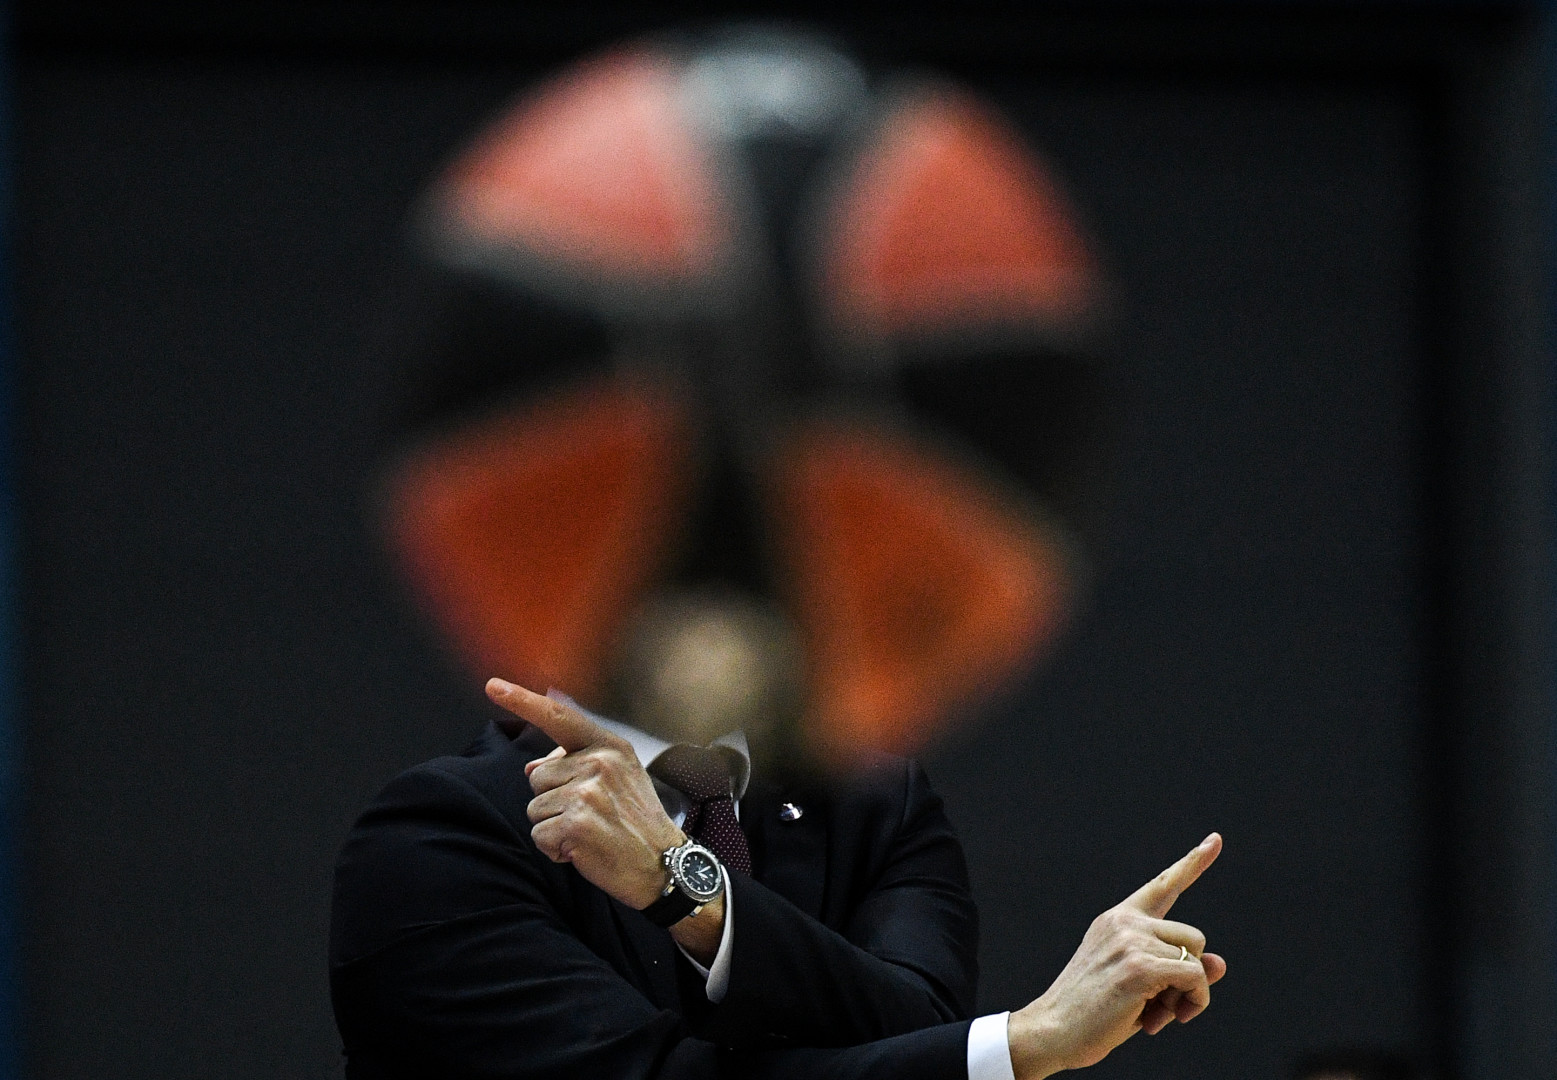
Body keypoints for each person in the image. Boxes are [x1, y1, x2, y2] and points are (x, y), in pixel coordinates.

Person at [329, 679, 1225, 1079]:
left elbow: (910, 1028)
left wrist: (691, 892)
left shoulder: (877, 797)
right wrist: (1026, 1042)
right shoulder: (436, 834)